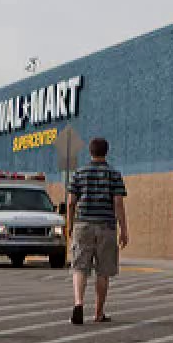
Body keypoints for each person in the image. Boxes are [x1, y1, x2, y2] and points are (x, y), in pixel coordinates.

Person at [67, 137, 128, 324]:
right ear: (106, 151)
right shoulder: (114, 174)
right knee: (103, 271)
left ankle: (78, 303)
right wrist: (123, 229)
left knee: (80, 267)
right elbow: (118, 203)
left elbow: (71, 202)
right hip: (106, 226)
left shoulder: (79, 173)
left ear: (90, 152)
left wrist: (70, 225)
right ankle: (98, 313)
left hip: (83, 225)